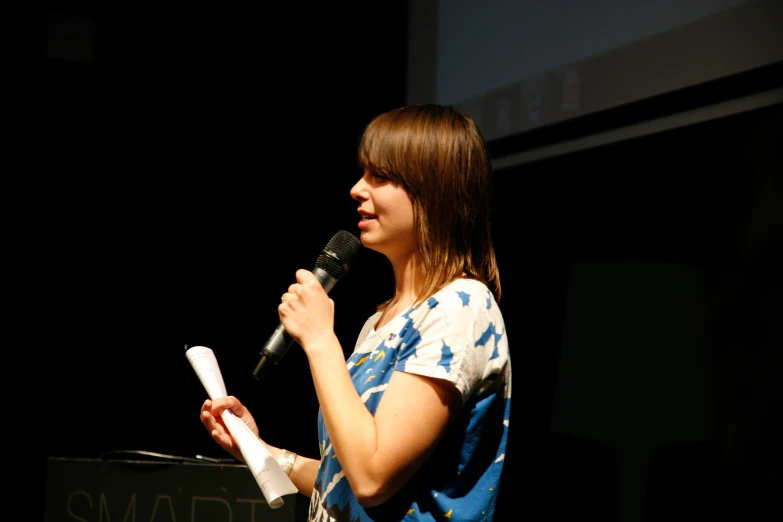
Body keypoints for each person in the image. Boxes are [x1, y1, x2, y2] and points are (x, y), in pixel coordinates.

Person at [200, 104, 512, 521]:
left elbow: (372, 479)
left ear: (433, 192)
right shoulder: (380, 323)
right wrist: (260, 451)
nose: (356, 189)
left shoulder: (461, 307)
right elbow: (345, 482)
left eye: (379, 177)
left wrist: (320, 339)